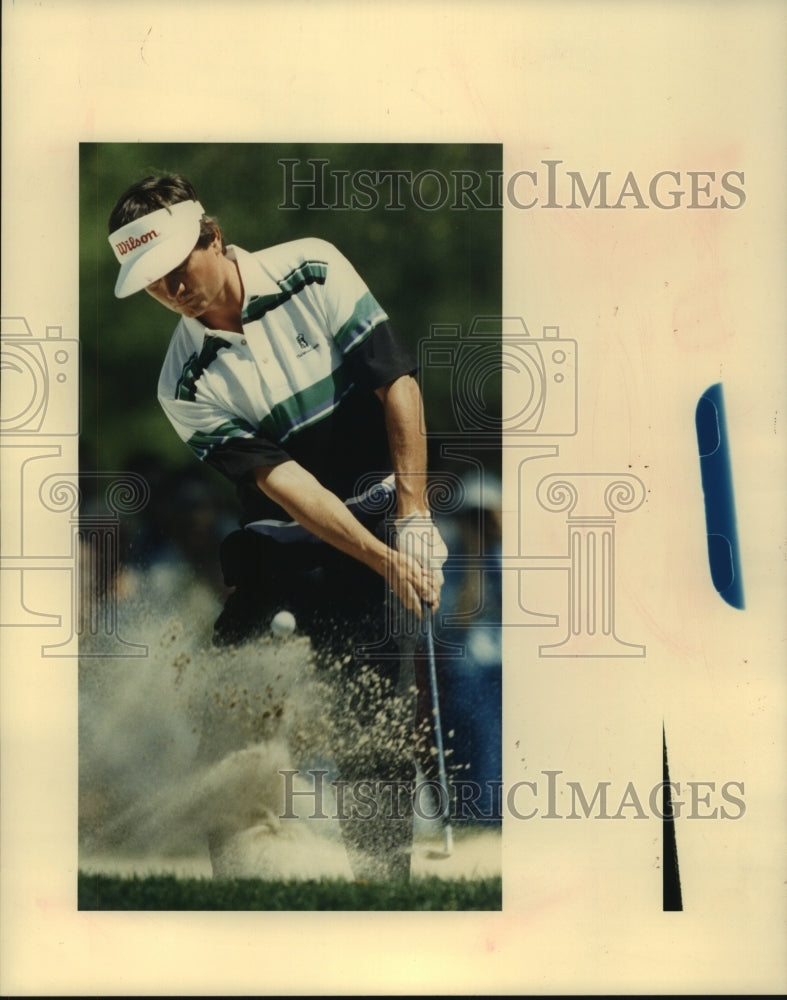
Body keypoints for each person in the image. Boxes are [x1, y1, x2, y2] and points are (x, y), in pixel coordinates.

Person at [107, 173, 448, 879]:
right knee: (230, 697)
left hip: (379, 501)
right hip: (282, 536)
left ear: (213, 236)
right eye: (152, 282)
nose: (171, 289)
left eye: (177, 267)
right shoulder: (183, 383)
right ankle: (240, 880)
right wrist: (387, 561)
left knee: (369, 704)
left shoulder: (311, 267)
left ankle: (384, 886)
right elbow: (289, 489)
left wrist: (412, 517)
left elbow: (397, 383)